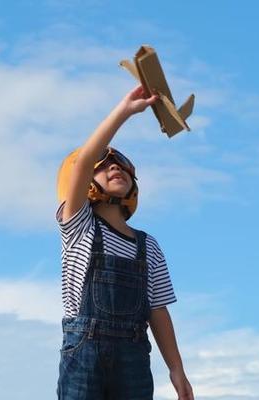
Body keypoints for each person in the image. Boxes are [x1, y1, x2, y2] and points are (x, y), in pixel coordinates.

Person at [55, 84, 194, 399]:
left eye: (119, 164)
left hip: (133, 355)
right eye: (103, 166)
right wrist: (125, 112)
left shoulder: (149, 245)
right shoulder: (79, 225)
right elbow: (81, 162)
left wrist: (176, 367)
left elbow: (157, 310)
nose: (114, 167)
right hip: (84, 352)